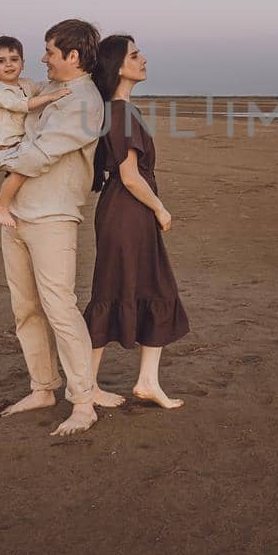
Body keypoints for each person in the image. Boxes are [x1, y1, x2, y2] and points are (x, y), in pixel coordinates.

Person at [0, 19, 121, 436]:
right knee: (24, 307)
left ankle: (83, 400)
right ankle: (43, 387)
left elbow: (39, 154)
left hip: (54, 216)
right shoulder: (44, 92)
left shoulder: (84, 102)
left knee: (60, 308)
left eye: (49, 51)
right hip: (18, 215)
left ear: (72, 56)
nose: (42, 58)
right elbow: (6, 125)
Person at [83, 34, 190, 410]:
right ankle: (86, 386)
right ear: (118, 66)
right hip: (127, 212)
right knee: (114, 292)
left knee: (150, 288)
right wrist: (160, 208)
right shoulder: (120, 112)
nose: (143, 58)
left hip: (127, 213)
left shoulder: (122, 111)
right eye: (134, 54)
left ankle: (146, 381)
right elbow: (129, 176)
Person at [0, 36, 71, 229]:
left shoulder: (25, 84)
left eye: (14, 59)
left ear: (22, 63)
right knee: (23, 169)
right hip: (0, 145)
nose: (8, 65)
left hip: (15, 142)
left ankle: (15, 204)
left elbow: (43, 87)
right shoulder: (0, 91)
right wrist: (51, 97)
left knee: (28, 169)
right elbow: (23, 105)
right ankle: (1, 206)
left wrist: (61, 81)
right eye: (1, 61)